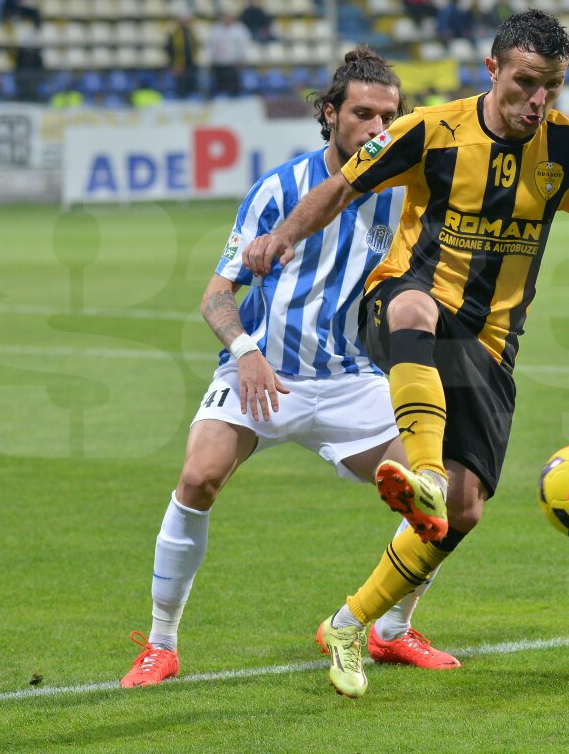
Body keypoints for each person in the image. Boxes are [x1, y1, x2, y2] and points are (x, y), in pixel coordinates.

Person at [244, 9, 569, 699]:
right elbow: (340, 187)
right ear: (493, 71)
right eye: (526, 83)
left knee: (465, 508)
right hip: (401, 302)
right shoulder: (433, 131)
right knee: (417, 305)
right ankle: (419, 469)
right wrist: (284, 237)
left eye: (553, 87)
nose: (538, 102)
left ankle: (349, 624)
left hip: (493, 344)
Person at [119, 47, 462, 690]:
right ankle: (160, 644)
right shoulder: (277, 190)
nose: (377, 128)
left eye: (389, 116)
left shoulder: (407, 196)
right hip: (263, 372)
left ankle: (390, 631)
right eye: (363, 113)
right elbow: (217, 294)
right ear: (330, 114)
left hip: (351, 378)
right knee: (197, 479)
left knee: (442, 496)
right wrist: (245, 353)